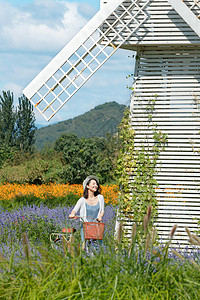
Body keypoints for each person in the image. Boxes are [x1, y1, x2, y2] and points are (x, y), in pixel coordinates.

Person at [69, 175, 104, 244]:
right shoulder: (82, 200)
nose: (96, 185)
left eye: (96, 184)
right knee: (85, 245)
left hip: (97, 226)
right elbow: (74, 210)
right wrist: (72, 214)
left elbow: (102, 211)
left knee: (97, 246)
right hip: (86, 227)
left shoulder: (100, 198)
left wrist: (100, 217)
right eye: (93, 184)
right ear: (87, 186)